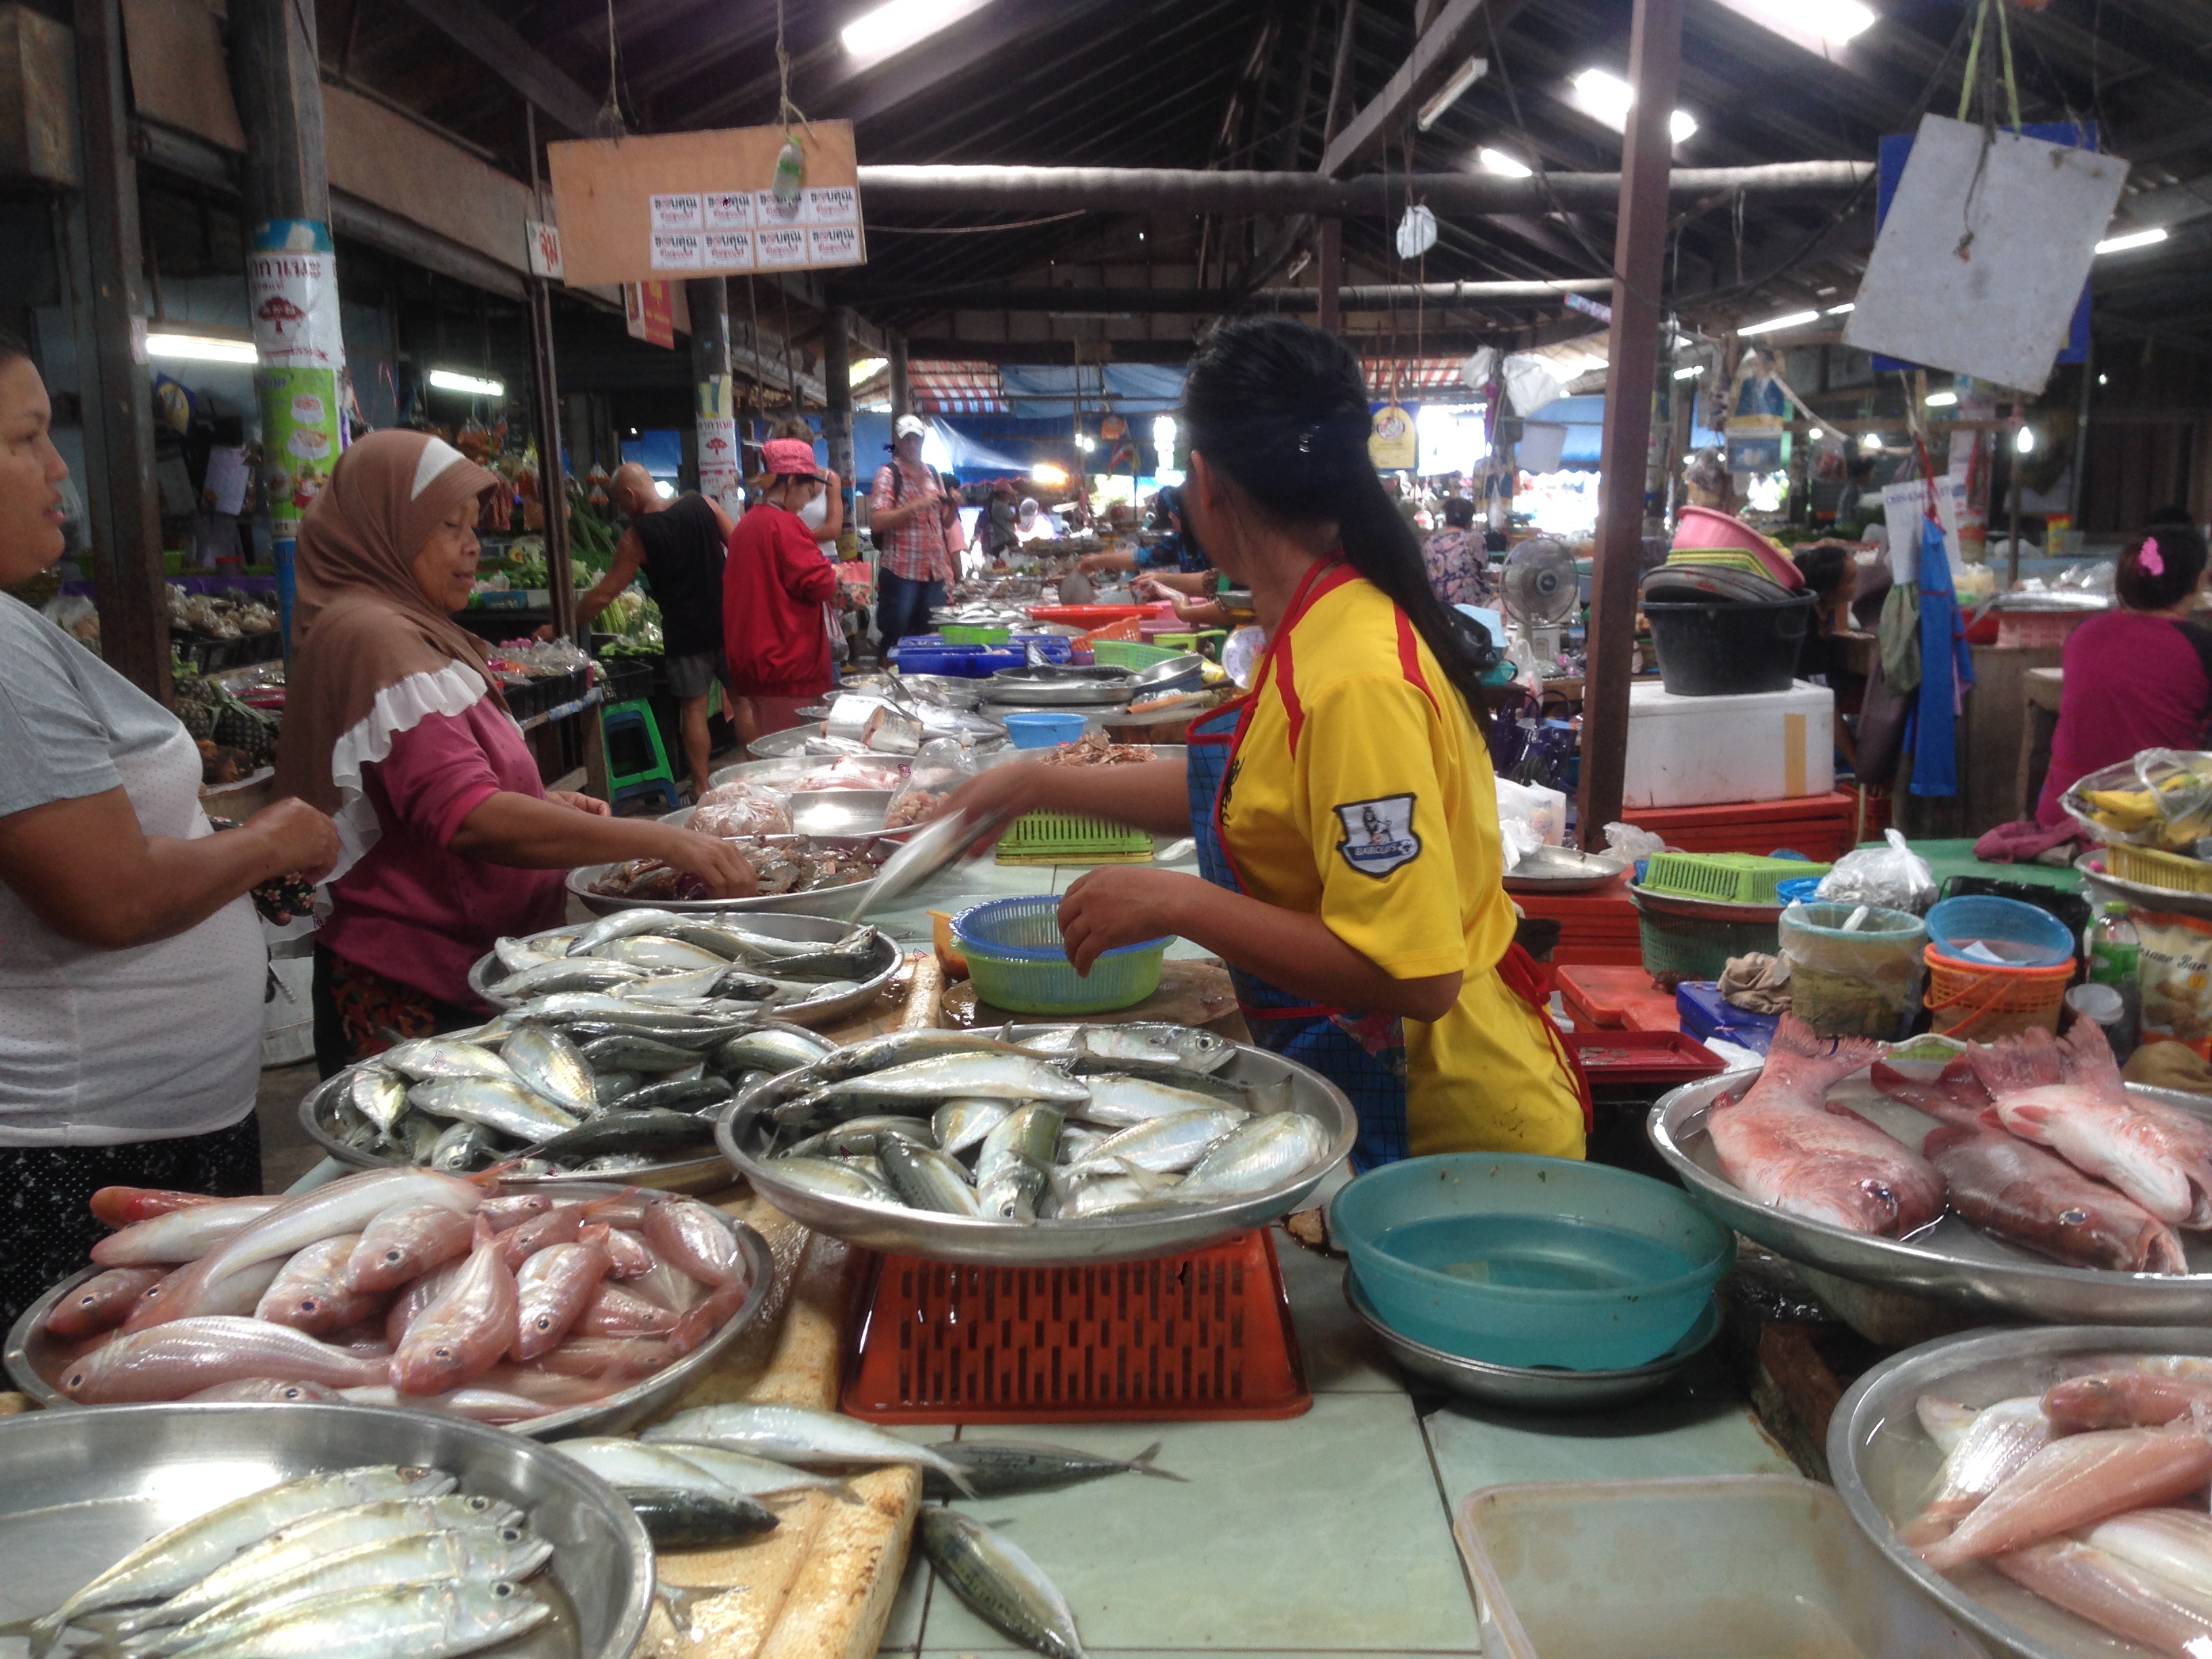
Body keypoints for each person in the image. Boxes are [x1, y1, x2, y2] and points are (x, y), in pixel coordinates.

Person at [943, 319, 1589, 1167]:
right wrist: (1034, 781)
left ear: (1207, 483)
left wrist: (1177, 904)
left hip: (1452, 1135)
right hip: (1387, 1090)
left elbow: (1417, 975)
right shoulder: (1319, 624)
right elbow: (1248, 792)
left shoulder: (1357, 677)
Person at [0, 337, 342, 1323]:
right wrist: (272, 841)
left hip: (137, 1125)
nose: (59, 469)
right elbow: (111, 897)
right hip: (81, 1150)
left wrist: (217, 845)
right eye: (26, 438)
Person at [276, 430, 754, 1073]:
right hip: (415, 990)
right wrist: (665, 842)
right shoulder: (374, 636)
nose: (472, 545)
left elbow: (414, 790)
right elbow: (466, 817)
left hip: (469, 966)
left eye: (473, 526)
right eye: (449, 526)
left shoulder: (409, 626)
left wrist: (534, 799)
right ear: (386, 529)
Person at [573, 462, 737, 799]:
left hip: (684, 633)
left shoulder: (636, 539)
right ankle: (757, 776)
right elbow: (740, 545)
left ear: (630, 495)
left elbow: (604, 594)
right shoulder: (704, 505)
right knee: (744, 703)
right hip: (728, 623)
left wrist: (562, 624)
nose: (622, 510)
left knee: (693, 710)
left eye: (620, 502)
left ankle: (701, 788)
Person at [2034, 524, 2212, 827]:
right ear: (2198, 581)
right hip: (2149, 825)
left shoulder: (2083, 633)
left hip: (2063, 815)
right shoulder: (2201, 647)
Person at [725, 436, 840, 738]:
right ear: (790, 481)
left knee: (767, 748)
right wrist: (835, 574)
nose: (806, 503)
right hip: (785, 664)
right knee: (792, 753)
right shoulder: (785, 525)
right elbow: (821, 585)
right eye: (808, 492)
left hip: (751, 663)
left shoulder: (746, 524)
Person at [869, 413, 956, 652]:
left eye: (916, 439)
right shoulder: (888, 474)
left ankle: (922, 674)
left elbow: (944, 523)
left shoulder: (933, 473)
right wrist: (915, 505)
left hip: (933, 572)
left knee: (930, 636)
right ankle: (888, 674)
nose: (912, 444)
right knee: (895, 635)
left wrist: (954, 507)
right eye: (907, 439)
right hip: (901, 571)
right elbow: (877, 521)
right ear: (896, 440)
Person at [1422, 495, 1491, 607]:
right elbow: (1482, 565)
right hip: (1468, 600)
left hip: (1436, 600)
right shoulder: (1473, 538)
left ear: (1447, 518)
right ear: (1469, 519)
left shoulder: (1430, 541)